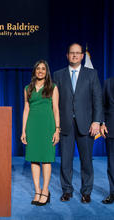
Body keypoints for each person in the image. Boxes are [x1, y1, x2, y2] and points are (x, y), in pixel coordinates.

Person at [53, 43, 103, 203]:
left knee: (86, 161)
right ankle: (67, 190)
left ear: (82, 56)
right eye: (71, 53)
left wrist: (96, 121)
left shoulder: (92, 74)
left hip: (87, 124)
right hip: (65, 125)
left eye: (77, 53)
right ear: (67, 55)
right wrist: (55, 125)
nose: (74, 55)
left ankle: (86, 192)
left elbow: (97, 99)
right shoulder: (58, 75)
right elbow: (54, 102)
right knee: (65, 161)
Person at [21, 60, 60, 206]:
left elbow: (56, 109)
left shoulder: (53, 87)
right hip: (33, 127)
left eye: (43, 69)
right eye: (38, 69)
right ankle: (37, 191)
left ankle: (45, 190)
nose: (40, 71)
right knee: (34, 159)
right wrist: (23, 130)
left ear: (46, 71)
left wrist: (57, 129)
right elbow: (26, 109)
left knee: (46, 159)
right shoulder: (28, 88)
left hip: (47, 127)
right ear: (34, 71)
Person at [100, 77, 114, 204]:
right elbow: (103, 105)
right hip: (111, 129)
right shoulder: (108, 82)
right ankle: (113, 193)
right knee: (112, 165)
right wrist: (102, 123)